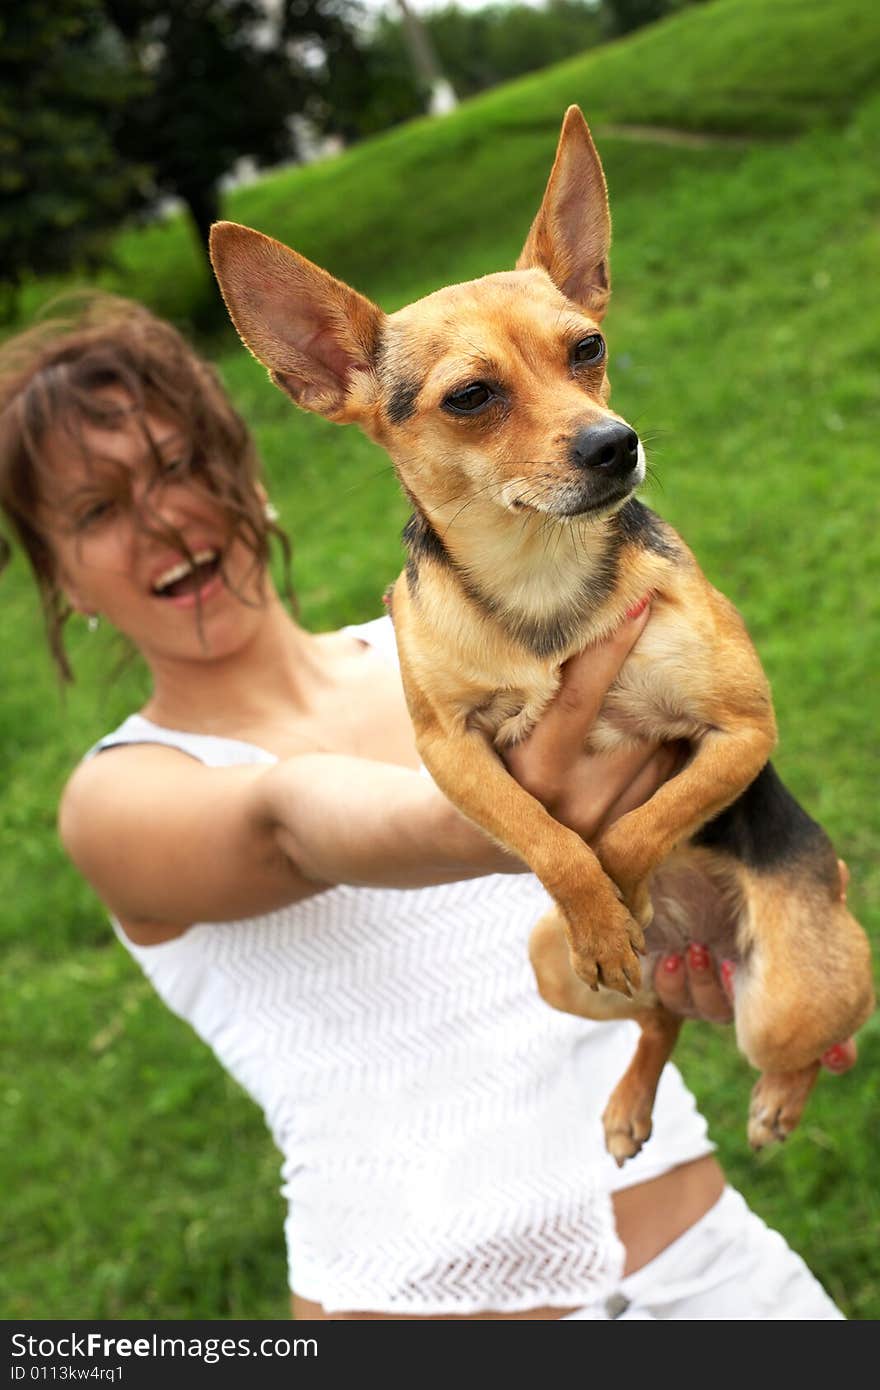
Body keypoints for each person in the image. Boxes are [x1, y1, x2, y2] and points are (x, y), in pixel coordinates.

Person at [0, 295, 856, 1321]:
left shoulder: (465, 650)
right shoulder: (121, 793)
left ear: (251, 473)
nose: (163, 521)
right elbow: (290, 816)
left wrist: (725, 940)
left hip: (711, 1279)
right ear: (60, 579)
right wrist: (510, 817)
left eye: (181, 467)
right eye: (96, 511)